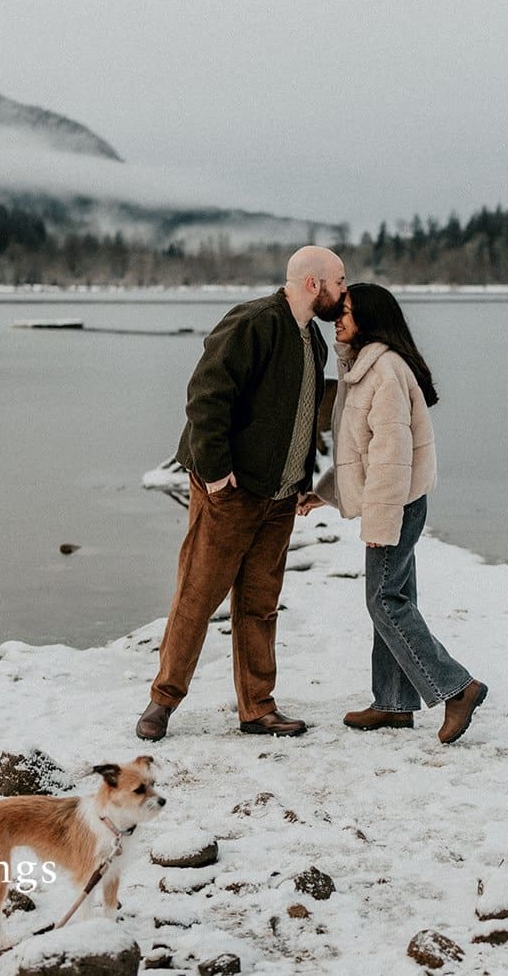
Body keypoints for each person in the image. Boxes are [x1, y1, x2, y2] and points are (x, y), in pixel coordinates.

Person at [135, 246, 348, 741]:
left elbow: (301, 414)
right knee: (198, 594)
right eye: (339, 280)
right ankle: (162, 702)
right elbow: (206, 396)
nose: (344, 290)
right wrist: (214, 474)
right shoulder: (254, 321)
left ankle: (257, 708)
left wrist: (301, 480)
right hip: (230, 491)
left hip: (278, 499)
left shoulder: (311, 341)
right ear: (313, 284)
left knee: (259, 604)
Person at [298, 283, 487, 744]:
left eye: (344, 312)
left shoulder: (384, 371)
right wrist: (326, 492)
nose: (336, 319)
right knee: (395, 597)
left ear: (370, 317)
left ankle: (456, 688)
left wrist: (380, 523)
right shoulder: (365, 366)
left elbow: (390, 457)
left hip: (396, 503)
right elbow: (357, 450)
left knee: (384, 602)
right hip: (398, 499)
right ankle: (393, 703)